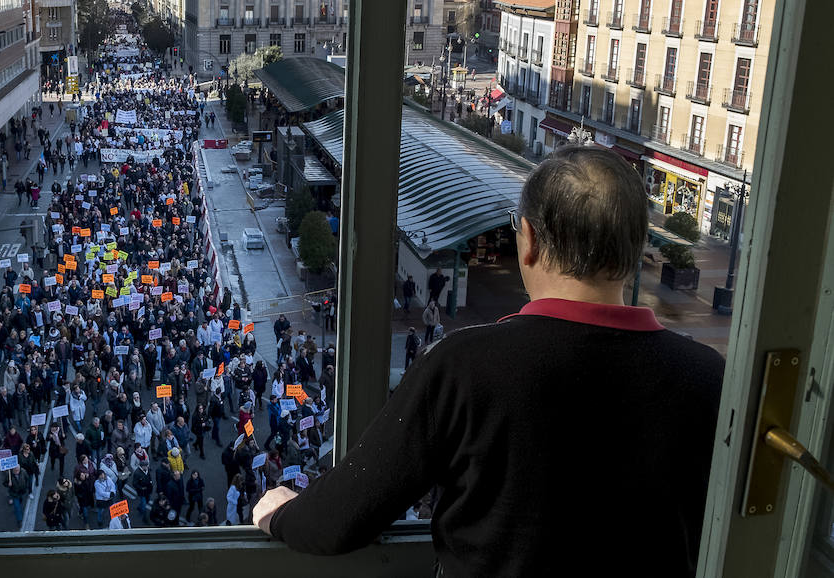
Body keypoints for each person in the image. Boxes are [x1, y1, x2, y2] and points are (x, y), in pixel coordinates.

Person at [252, 147, 726, 576]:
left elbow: (342, 516)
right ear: (635, 247)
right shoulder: (709, 378)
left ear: (530, 241)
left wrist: (280, 514)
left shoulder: (465, 368)